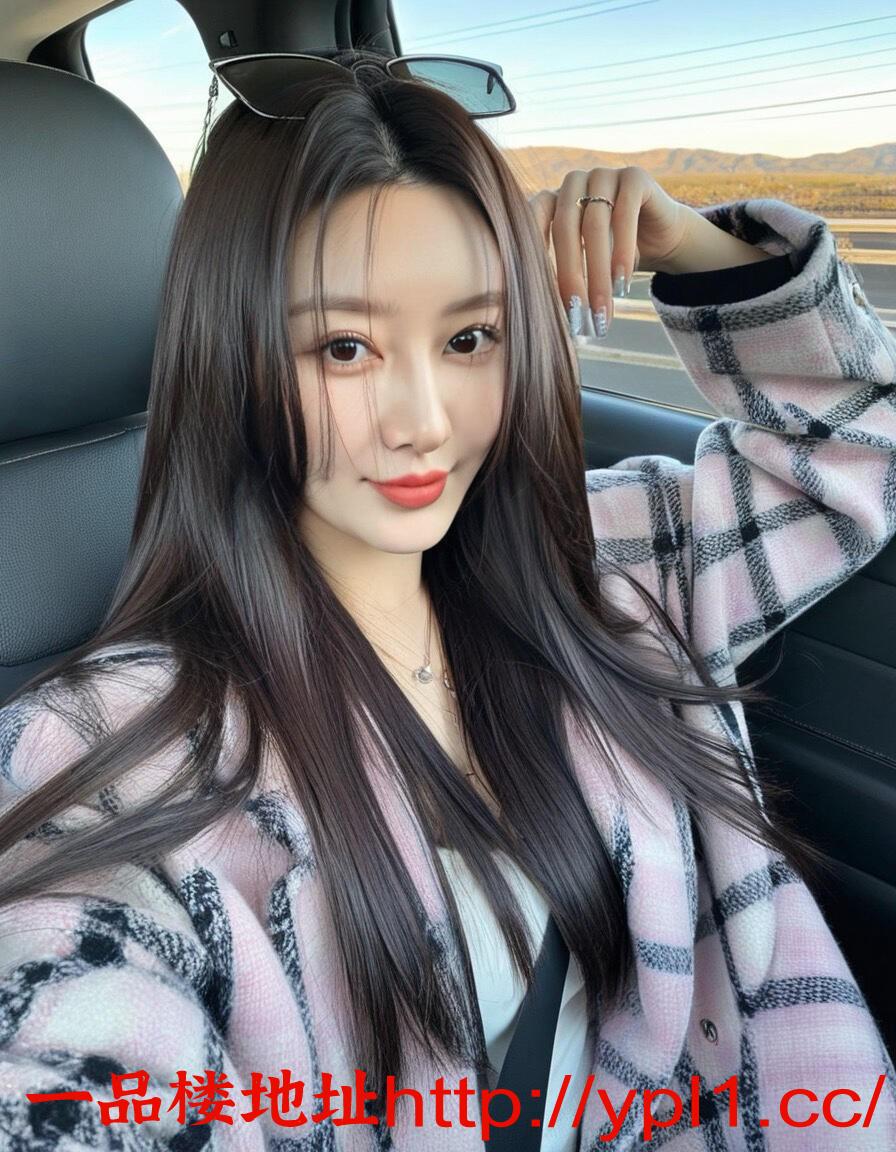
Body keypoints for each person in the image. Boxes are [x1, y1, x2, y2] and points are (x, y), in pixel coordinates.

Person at [0, 45, 894, 1151]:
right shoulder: (118, 749)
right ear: (232, 358)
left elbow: (855, 449)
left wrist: (697, 251)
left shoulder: (604, 567)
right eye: (343, 347)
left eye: (470, 338)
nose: (422, 420)